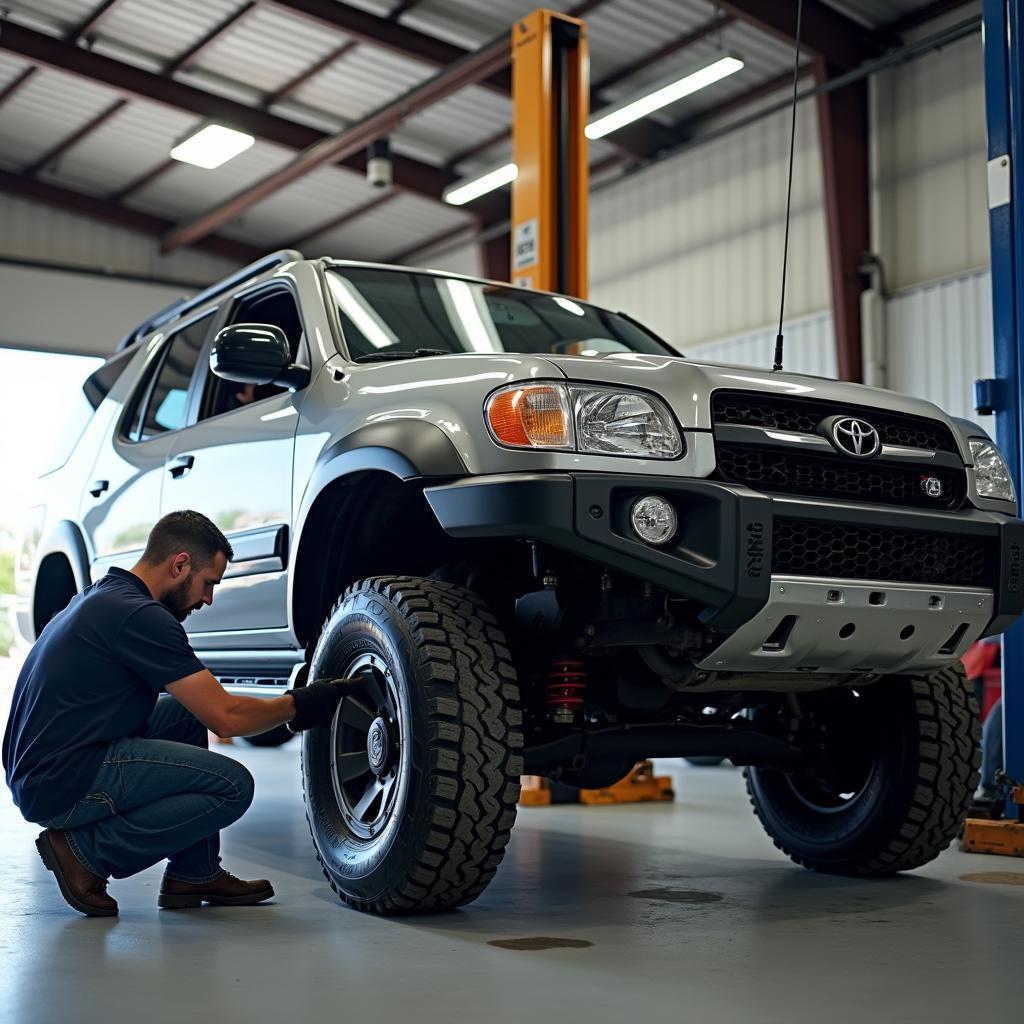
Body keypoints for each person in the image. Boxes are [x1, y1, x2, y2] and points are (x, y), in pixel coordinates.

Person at [2, 510, 355, 918]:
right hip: (63, 782)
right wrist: (306, 702)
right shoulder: (141, 616)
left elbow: (205, 709)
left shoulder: (102, 597)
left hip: (42, 771)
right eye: (208, 584)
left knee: (185, 715)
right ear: (180, 564)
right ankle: (84, 853)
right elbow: (228, 719)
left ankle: (195, 872)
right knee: (232, 786)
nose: (208, 599)